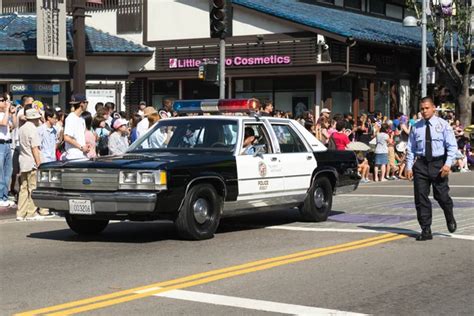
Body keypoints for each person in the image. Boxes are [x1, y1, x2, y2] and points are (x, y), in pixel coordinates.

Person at [407, 97, 458, 241]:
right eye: (422, 109)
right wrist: (409, 166)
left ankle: (449, 215)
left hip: (438, 164)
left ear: (433, 108)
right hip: (421, 165)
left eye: (426, 108)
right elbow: (411, 148)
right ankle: (426, 229)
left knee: (441, 196)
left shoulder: (443, 125)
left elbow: (452, 146)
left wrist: (447, 164)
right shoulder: (416, 126)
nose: (424, 111)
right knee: (421, 198)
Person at [17, 109, 44, 221]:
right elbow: (35, 148)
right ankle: (31, 213)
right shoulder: (33, 129)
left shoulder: (22, 128)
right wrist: (39, 163)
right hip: (32, 161)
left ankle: (20, 213)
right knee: (33, 188)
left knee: (23, 188)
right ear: (35, 118)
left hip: (23, 161)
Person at [64, 94, 89, 160]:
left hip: (82, 156)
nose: (87, 104)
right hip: (73, 157)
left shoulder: (82, 119)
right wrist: (81, 147)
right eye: (86, 102)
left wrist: (85, 146)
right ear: (82, 104)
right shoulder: (71, 118)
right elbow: (66, 138)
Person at [0, 96, 15, 207]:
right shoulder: (3, 114)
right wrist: (6, 110)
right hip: (0, 144)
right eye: (2, 101)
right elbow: (4, 123)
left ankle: (4, 196)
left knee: (7, 172)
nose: (5, 102)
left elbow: (13, 126)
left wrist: (13, 113)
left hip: (7, 144)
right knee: (0, 173)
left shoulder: (6, 113)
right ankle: (0, 197)